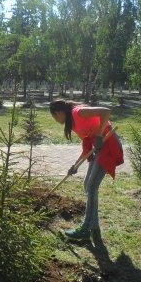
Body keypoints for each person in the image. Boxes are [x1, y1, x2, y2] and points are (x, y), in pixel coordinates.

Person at [49, 99, 124, 240]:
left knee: (91, 187)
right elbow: (87, 145)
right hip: (99, 147)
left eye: (54, 116)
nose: (55, 120)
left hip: (108, 143)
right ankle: (94, 225)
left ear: (59, 112)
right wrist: (75, 165)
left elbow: (106, 112)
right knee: (87, 185)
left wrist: (99, 135)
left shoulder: (78, 112)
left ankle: (85, 229)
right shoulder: (72, 123)